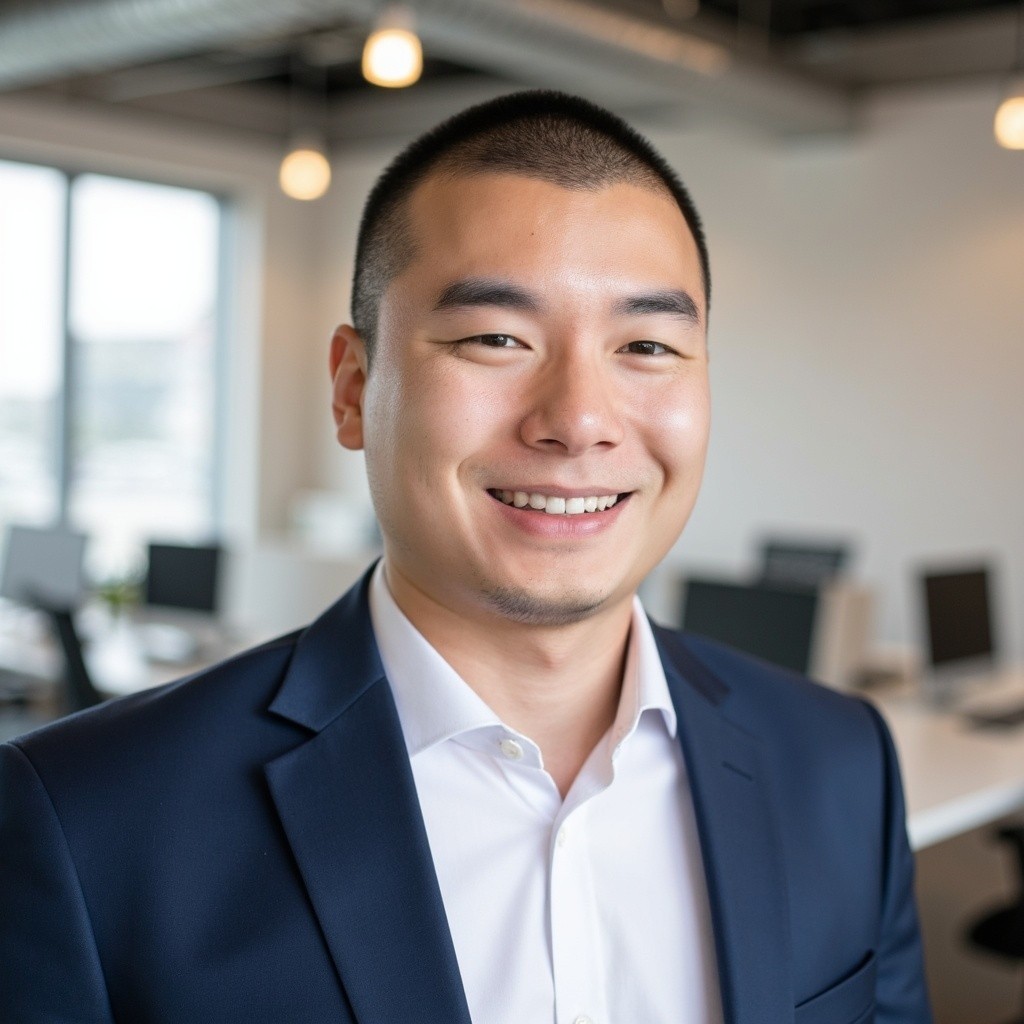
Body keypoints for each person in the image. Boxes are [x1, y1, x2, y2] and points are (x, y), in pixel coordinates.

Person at [0, 91, 931, 1024]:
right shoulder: (85, 822)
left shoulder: (841, 763)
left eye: (647, 345)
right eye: (496, 339)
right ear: (353, 389)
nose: (578, 421)